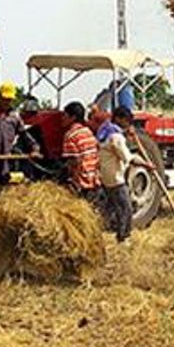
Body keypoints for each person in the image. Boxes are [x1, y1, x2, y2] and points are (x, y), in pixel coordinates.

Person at [97, 106, 151, 242]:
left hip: (105, 176)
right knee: (125, 209)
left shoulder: (104, 131)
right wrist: (146, 165)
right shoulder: (116, 137)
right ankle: (123, 237)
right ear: (119, 119)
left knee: (110, 208)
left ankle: (102, 231)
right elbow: (129, 158)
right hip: (116, 178)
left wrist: (127, 134)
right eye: (126, 121)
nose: (128, 124)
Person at [60, 101, 101, 201]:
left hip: (82, 184)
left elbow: (75, 161)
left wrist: (74, 182)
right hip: (94, 180)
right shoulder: (88, 131)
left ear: (73, 117)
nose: (62, 118)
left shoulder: (70, 135)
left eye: (65, 115)